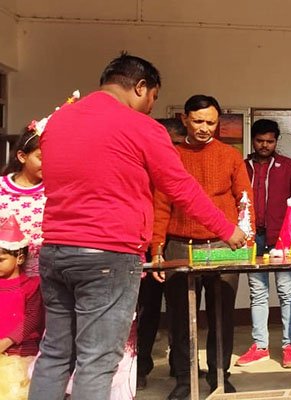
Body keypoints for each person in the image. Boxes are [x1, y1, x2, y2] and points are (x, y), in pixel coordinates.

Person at [28, 53, 246, 400]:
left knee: (55, 353)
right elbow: (180, 188)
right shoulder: (140, 127)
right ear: (141, 86)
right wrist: (227, 228)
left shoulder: (59, 120)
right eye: (153, 97)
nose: (150, 106)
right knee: (96, 360)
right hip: (108, 254)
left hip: (56, 250)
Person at [151, 94, 254, 398]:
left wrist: (246, 239)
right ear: (184, 119)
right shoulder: (171, 156)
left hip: (224, 245)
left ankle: (220, 375)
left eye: (211, 122)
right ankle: (185, 379)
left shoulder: (231, 156)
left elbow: (245, 200)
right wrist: (156, 248)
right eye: (198, 121)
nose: (204, 128)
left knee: (222, 315)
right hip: (180, 246)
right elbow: (160, 205)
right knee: (182, 317)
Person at [236, 119, 291, 368]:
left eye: (269, 141)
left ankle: (289, 347)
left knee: (287, 292)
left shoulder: (288, 167)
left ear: (276, 141)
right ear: (252, 140)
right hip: (252, 238)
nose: (264, 145)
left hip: (283, 239)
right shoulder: (242, 167)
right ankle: (260, 346)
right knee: (258, 293)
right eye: (260, 141)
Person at [136, 117, 187, 390]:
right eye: (171, 143)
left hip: (177, 244)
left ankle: (181, 366)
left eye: (178, 144)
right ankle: (141, 365)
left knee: (181, 310)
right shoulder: (140, 167)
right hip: (146, 247)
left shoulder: (180, 166)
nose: (173, 150)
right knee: (147, 309)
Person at [0, 216, 44, 400]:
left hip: (19, 354)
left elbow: (33, 318)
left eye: (1, 259)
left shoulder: (31, 286)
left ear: (19, 258)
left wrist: (6, 342)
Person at [0, 129, 45, 277]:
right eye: (41, 158)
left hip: (42, 275)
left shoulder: (53, 191)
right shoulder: (2, 188)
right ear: (22, 156)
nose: (48, 163)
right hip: (6, 276)